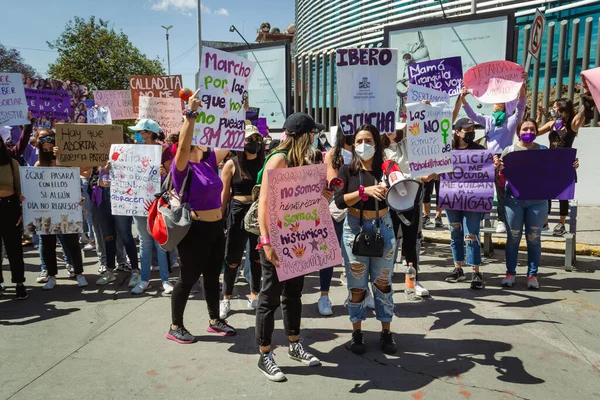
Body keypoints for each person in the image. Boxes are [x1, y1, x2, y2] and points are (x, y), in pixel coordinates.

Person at [255, 112, 330, 382]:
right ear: (302, 135)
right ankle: (265, 354)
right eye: (313, 133)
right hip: (275, 238)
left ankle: (294, 344)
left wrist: (322, 195)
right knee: (270, 298)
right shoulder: (279, 158)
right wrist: (266, 242)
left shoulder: (304, 160)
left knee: (293, 295)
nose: (316, 138)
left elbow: (303, 200)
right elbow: (264, 202)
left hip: (296, 237)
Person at [166, 90, 237, 344]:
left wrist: (237, 110)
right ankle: (176, 325)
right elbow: (184, 144)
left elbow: (229, 139)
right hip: (194, 231)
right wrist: (190, 114)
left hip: (216, 228)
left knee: (212, 276)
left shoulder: (208, 161)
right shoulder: (182, 165)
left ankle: (214, 320)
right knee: (187, 278)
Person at [335, 124, 397, 356]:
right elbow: (340, 201)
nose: (364, 145)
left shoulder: (387, 168)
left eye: (369, 140)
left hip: (384, 226)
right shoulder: (346, 171)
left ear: (377, 144)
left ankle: (386, 331)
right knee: (357, 285)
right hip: (354, 228)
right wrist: (365, 192)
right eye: (359, 141)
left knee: (383, 282)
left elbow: (404, 191)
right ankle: (357, 331)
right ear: (353, 145)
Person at [494, 119, 579, 290]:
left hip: (537, 203)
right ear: (518, 131)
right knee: (513, 239)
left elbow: (555, 172)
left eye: (532, 129)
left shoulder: (543, 151)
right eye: (525, 128)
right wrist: (498, 170)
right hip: (513, 202)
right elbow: (500, 181)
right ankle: (510, 274)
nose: (529, 131)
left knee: (534, 239)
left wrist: (571, 166)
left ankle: (532, 275)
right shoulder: (508, 151)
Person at [461, 77, 527, 234]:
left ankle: (500, 220)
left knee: (501, 190)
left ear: (506, 105)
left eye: (500, 102)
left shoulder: (511, 121)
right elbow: (472, 114)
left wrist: (522, 88)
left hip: (503, 159)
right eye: (496, 102)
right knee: (482, 189)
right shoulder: (489, 120)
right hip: (488, 158)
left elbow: (521, 106)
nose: (496, 104)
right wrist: (463, 99)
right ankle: (482, 215)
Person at [219, 125, 265, 318]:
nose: (252, 142)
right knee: (232, 257)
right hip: (237, 211)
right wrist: (220, 219)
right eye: (248, 139)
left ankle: (254, 294)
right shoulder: (231, 164)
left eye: (256, 138)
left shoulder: (265, 162)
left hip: (257, 212)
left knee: (256, 257)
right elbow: (224, 193)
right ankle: (226, 298)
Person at [33, 129, 87, 290]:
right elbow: (33, 188)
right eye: (45, 147)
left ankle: (79, 273)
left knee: (71, 241)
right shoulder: (38, 165)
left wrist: (62, 157)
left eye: (51, 145)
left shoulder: (65, 161)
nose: (49, 149)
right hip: (47, 210)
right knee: (48, 243)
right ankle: (51, 275)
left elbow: (77, 175)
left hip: (65, 209)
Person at [382, 123, 430, 297]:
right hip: (389, 200)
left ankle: (412, 280)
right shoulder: (380, 150)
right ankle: (384, 280)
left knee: (411, 241)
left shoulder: (410, 145)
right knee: (389, 241)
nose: (394, 132)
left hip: (411, 197)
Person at [127, 119, 173, 295]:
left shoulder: (163, 151)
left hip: (157, 203)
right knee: (145, 243)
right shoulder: (131, 151)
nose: (136, 135)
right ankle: (145, 279)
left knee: (160, 242)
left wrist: (165, 172)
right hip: (139, 203)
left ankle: (165, 280)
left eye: (139, 132)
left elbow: (173, 175)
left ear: (149, 133)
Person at [94, 130, 141, 287]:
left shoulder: (129, 157)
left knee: (126, 235)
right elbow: (90, 176)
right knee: (108, 236)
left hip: (122, 199)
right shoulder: (98, 156)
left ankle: (135, 270)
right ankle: (109, 270)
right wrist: (102, 173)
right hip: (103, 200)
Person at [444, 119, 487, 289]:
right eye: (466, 129)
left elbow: (487, 172)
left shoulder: (480, 150)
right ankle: (458, 268)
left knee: (471, 234)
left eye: (472, 129)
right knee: (455, 232)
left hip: (473, 198)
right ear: (456, 131)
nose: (470, 132)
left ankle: (476, 271)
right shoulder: (447, 151)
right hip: (452, 197)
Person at [536, 98, 586, 236]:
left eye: (554, 107)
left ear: (562, 109)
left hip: (565, 164)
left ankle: (561, 223)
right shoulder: (551, 123)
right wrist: (539, 117)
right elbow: (535, 132)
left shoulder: (572, 125)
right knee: (546, 193)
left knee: (564, 195)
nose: (552, 109)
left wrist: (587, 103)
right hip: (550, 163)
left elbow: (581, 115)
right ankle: (544, 222)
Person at [0, 135, 27, 299]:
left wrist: (23, 212)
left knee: (14, 249)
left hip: (9, 208)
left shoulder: (12, 164)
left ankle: (19, 283)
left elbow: (20, 189)